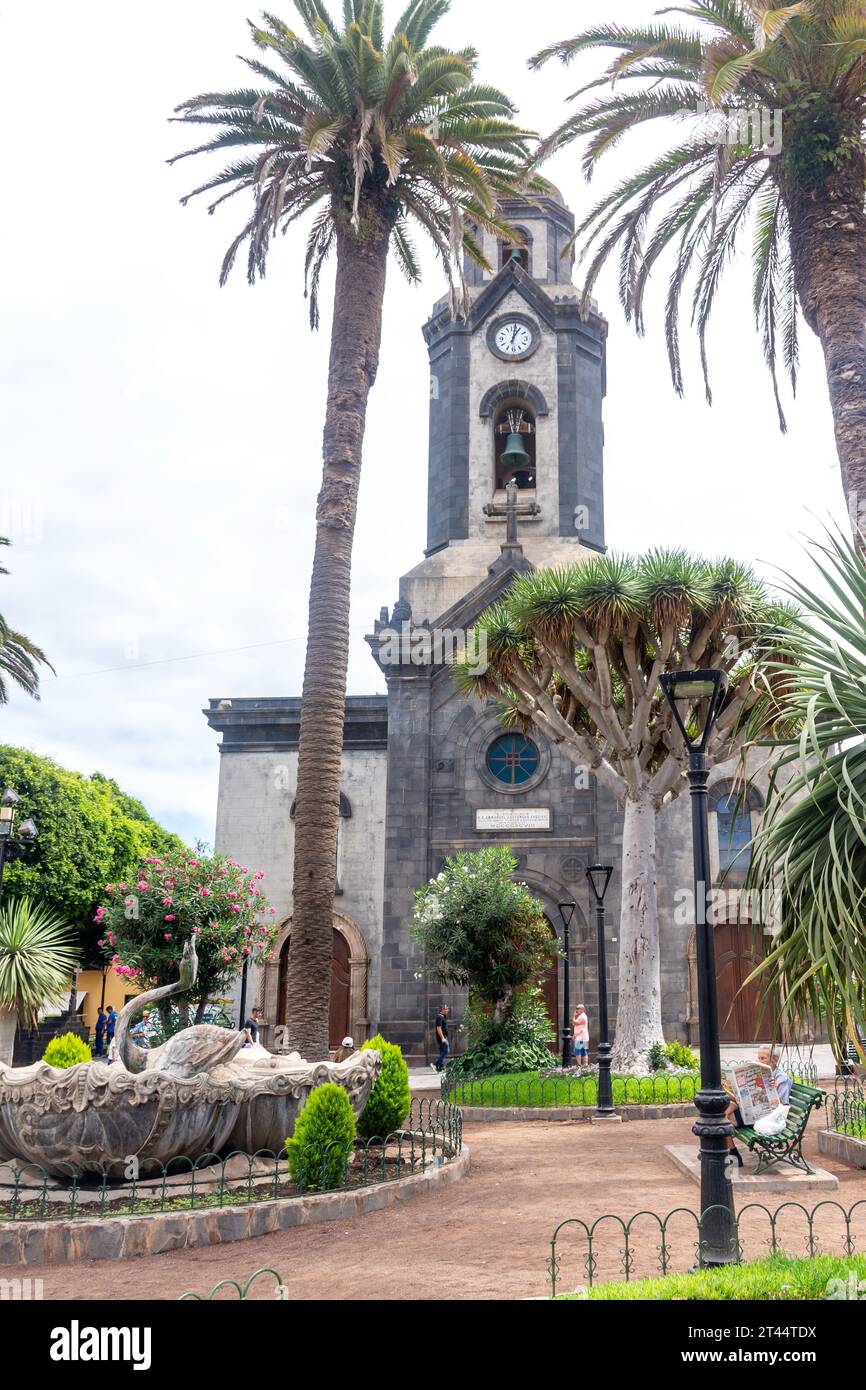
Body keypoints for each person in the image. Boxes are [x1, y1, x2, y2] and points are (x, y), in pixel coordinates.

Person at [432, 1004, 450, 1073]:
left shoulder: (443, 1016)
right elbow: (438, 1029)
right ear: (442, 1010)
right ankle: (435, 1064)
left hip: (444, 1037)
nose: (447, 1010)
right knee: (446, 1050)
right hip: (442, 1037)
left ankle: (440, 1068)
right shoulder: (439, 1017)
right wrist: (442, 1038)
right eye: (446, 1009)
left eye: (447, 1008)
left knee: (442, 1052)